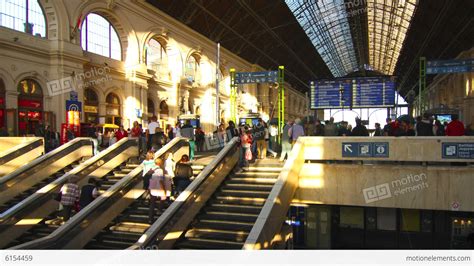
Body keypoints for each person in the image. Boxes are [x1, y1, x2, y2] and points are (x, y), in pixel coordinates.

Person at [148, 158, 171, 223]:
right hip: (158, 187)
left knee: (152, 204)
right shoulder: (160, 170)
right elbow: (160, 180)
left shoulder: (151, 169)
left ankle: (150, 219)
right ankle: (159, 210)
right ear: (160, 163)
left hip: (152, 187)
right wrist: (163, 189)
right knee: (163, 197)